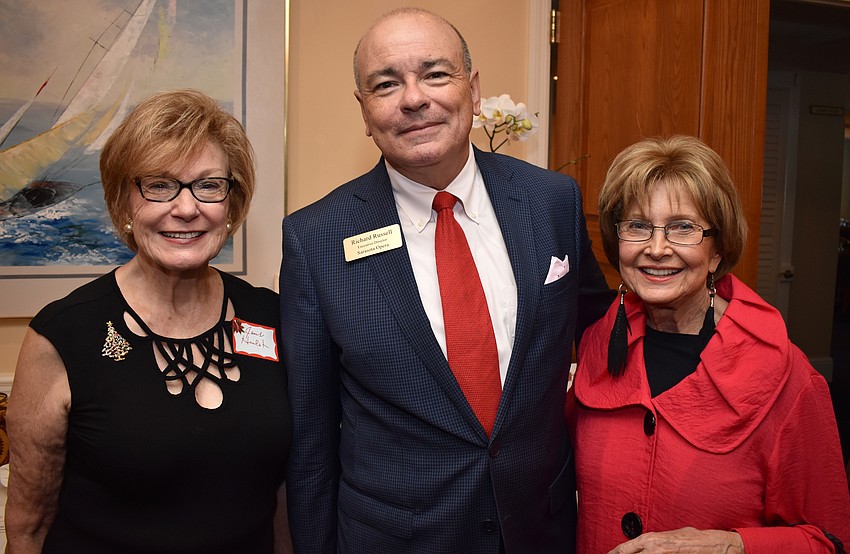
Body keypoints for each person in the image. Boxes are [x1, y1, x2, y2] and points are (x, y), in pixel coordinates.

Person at [280, 8, 613, 554]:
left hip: (538, 529)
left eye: (435, 74)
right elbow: (310, 440)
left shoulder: (552, 202)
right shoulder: (316, 239)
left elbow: (605, 334)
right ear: (364, 110)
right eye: (386, 84)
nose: (414, 98)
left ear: (473, 91)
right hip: (396, 540)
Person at [5, 89, 292, 554]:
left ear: (231, 203)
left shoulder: (274, 317)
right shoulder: (63, 335)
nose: (186, 208)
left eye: (208, 185)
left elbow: (284, 497)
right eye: (159, 185)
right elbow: (28, 527)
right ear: (124, 202)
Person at [566, 135, 850, 553]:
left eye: (683, 227)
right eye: (638, 226)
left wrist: (730, 546)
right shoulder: (597, 344)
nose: (656, 249)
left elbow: (828, 541)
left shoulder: (787, 376)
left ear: (717, 250)